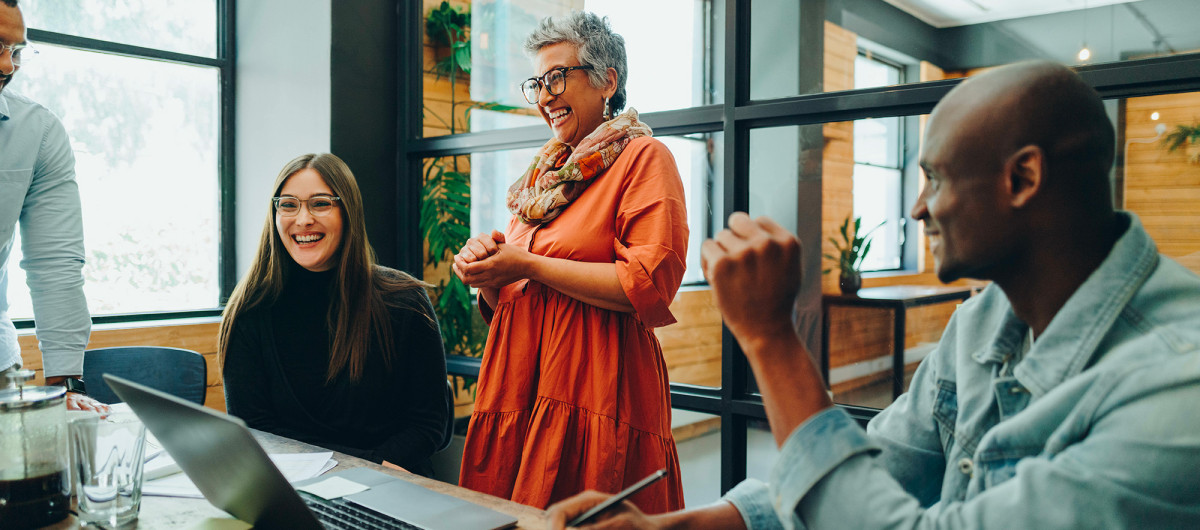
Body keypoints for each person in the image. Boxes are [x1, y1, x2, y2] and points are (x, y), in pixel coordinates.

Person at [545, 61, 1200, 528]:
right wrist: (678, 528)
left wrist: (771, 340)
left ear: (1023, 178)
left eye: (935, 178)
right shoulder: (982, 323)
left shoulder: (1176, 390)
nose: (917, 209)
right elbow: (875, 470)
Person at [453, 11, 687, 513]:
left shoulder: (644, 159)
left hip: (596, 390)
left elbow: (646, 285)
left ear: (608, 81)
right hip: (519, 386)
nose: (544, 96)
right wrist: (488, 272)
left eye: (558, 76)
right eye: (537, 83)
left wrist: (528, 265)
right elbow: (511, 301)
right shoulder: (543, 178)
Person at [219, 153, 449, 476]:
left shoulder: (405, 300)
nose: (303, 219)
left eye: (320, 203)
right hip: (292, 489)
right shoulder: (249, 310)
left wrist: (363, 471)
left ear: (348, 212)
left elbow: (429, 425)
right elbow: (255, 431)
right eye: (288, 205)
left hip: (388, 484)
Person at [0, 0, 106, 412]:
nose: (8, 66)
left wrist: (67, 389)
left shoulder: (38, 131)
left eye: (16, 51)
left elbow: (55, 263)